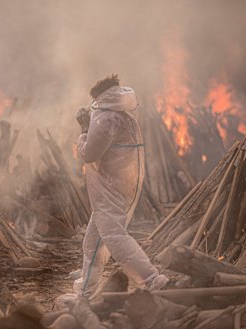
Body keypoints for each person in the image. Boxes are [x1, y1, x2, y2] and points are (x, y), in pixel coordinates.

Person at [73, 74, 169, 299]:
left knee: (115, 237)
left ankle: (152, 280)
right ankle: (86, 292)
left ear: (100, 97)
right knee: (93, 242)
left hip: (110, 188)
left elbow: (90, 154)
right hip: (121, 185)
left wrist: (83, 130)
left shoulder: (105, 119)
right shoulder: (125, 116)